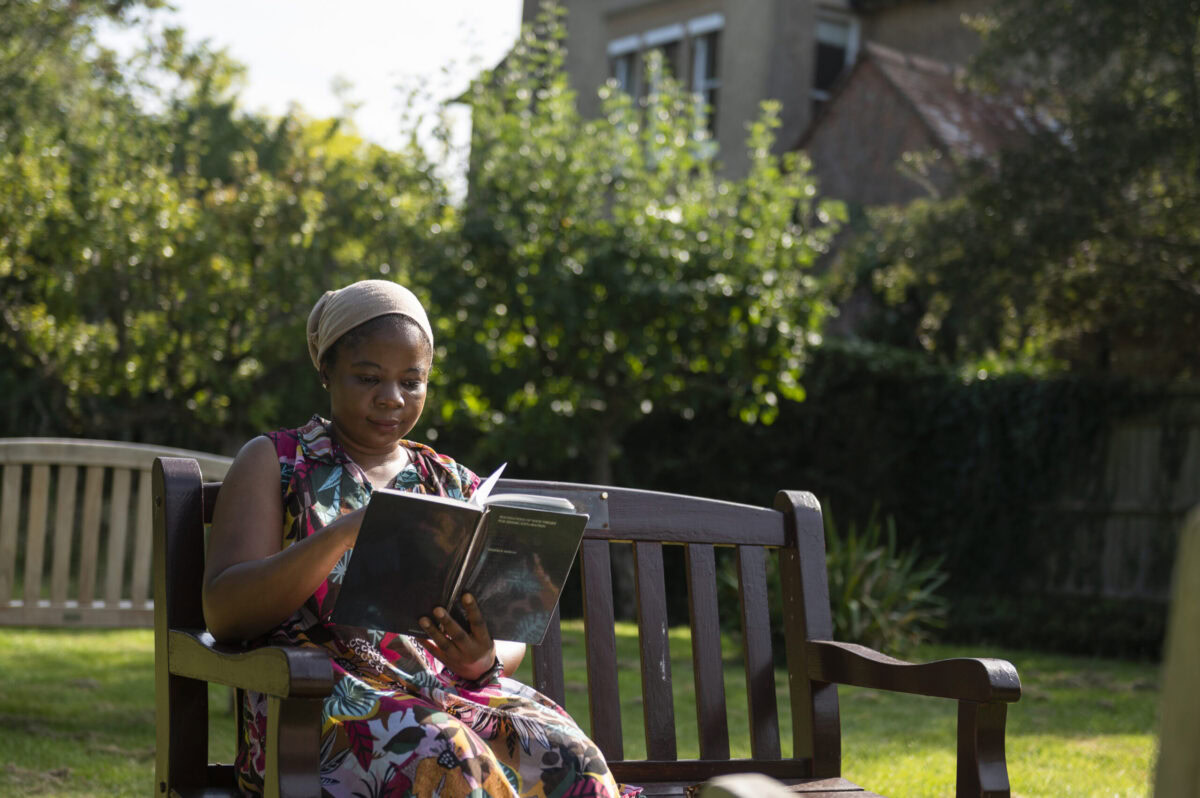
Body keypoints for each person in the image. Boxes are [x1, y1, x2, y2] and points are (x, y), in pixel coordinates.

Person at [203, 279, 636, 797]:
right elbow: (226, 612)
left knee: (571, 758)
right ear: (326, 371)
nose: (391, 399)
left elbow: (507, 618)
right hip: (316, 703)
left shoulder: (449, 482)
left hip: (445, 692)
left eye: (412, 382)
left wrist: (484, 658)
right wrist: (341, 534)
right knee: (449, 756)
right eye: (368, 378)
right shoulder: (279, 461)